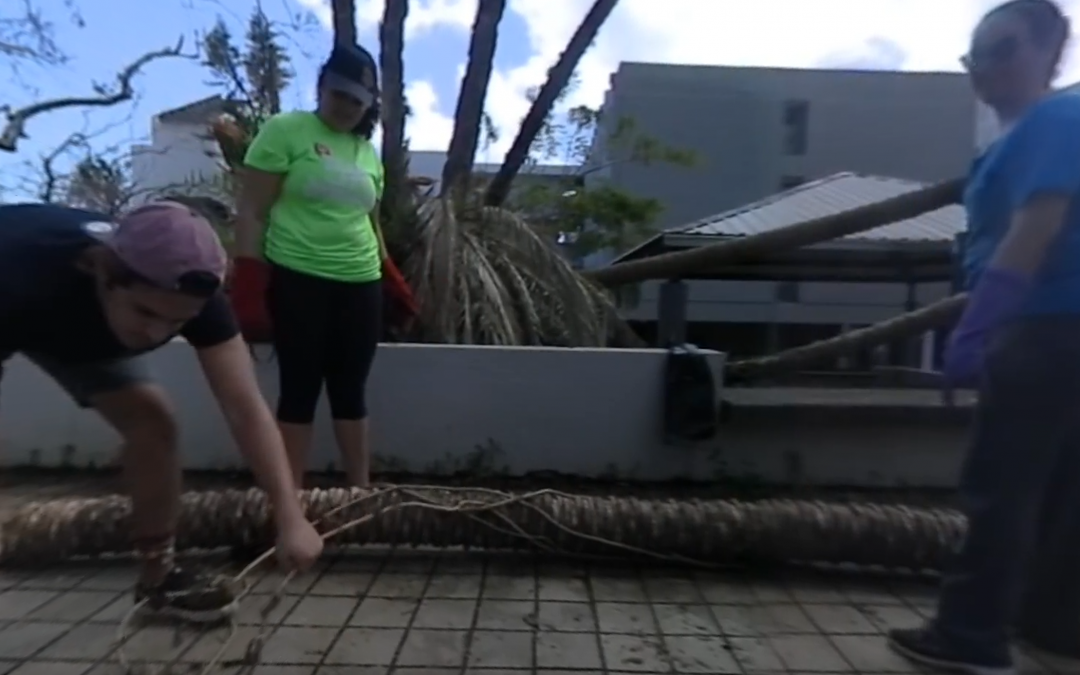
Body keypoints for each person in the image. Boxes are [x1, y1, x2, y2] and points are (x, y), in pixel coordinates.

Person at [0, 200, 324, 622]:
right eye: (146, 312)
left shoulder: (200, 302)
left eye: (175, 324)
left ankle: (159, 579)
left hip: (84, 332)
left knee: (154, 423)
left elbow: (245, 408)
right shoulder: (17, 275)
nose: (154, 333)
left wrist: (291, 517)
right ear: (101, 270)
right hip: (23, 299)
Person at [886, 0, 1080, 672]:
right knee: (1060, 489)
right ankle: (1054, 631)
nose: (987, 67)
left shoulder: (1057, 119)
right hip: (1058, 329)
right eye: (977, 54)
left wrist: (977, 327)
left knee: (1003, 484)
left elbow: (1036, 228)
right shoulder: (1024, 134)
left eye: (1005, 48)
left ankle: (970, 635)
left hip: (1045, 327)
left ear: (1053, 51)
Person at [231, 42, 392, 489]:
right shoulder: (286, 131)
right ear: (322, 87)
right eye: (340, 95)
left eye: (358, 101)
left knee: (350, 391)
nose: (347, 107)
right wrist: (248, 281)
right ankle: (288, 498)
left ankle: (359, 493)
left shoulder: (366, 152)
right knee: (299, 390)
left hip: (361, 283)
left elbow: (370, 221)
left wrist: (391, 277)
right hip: (298, 276)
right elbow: (253, 211)